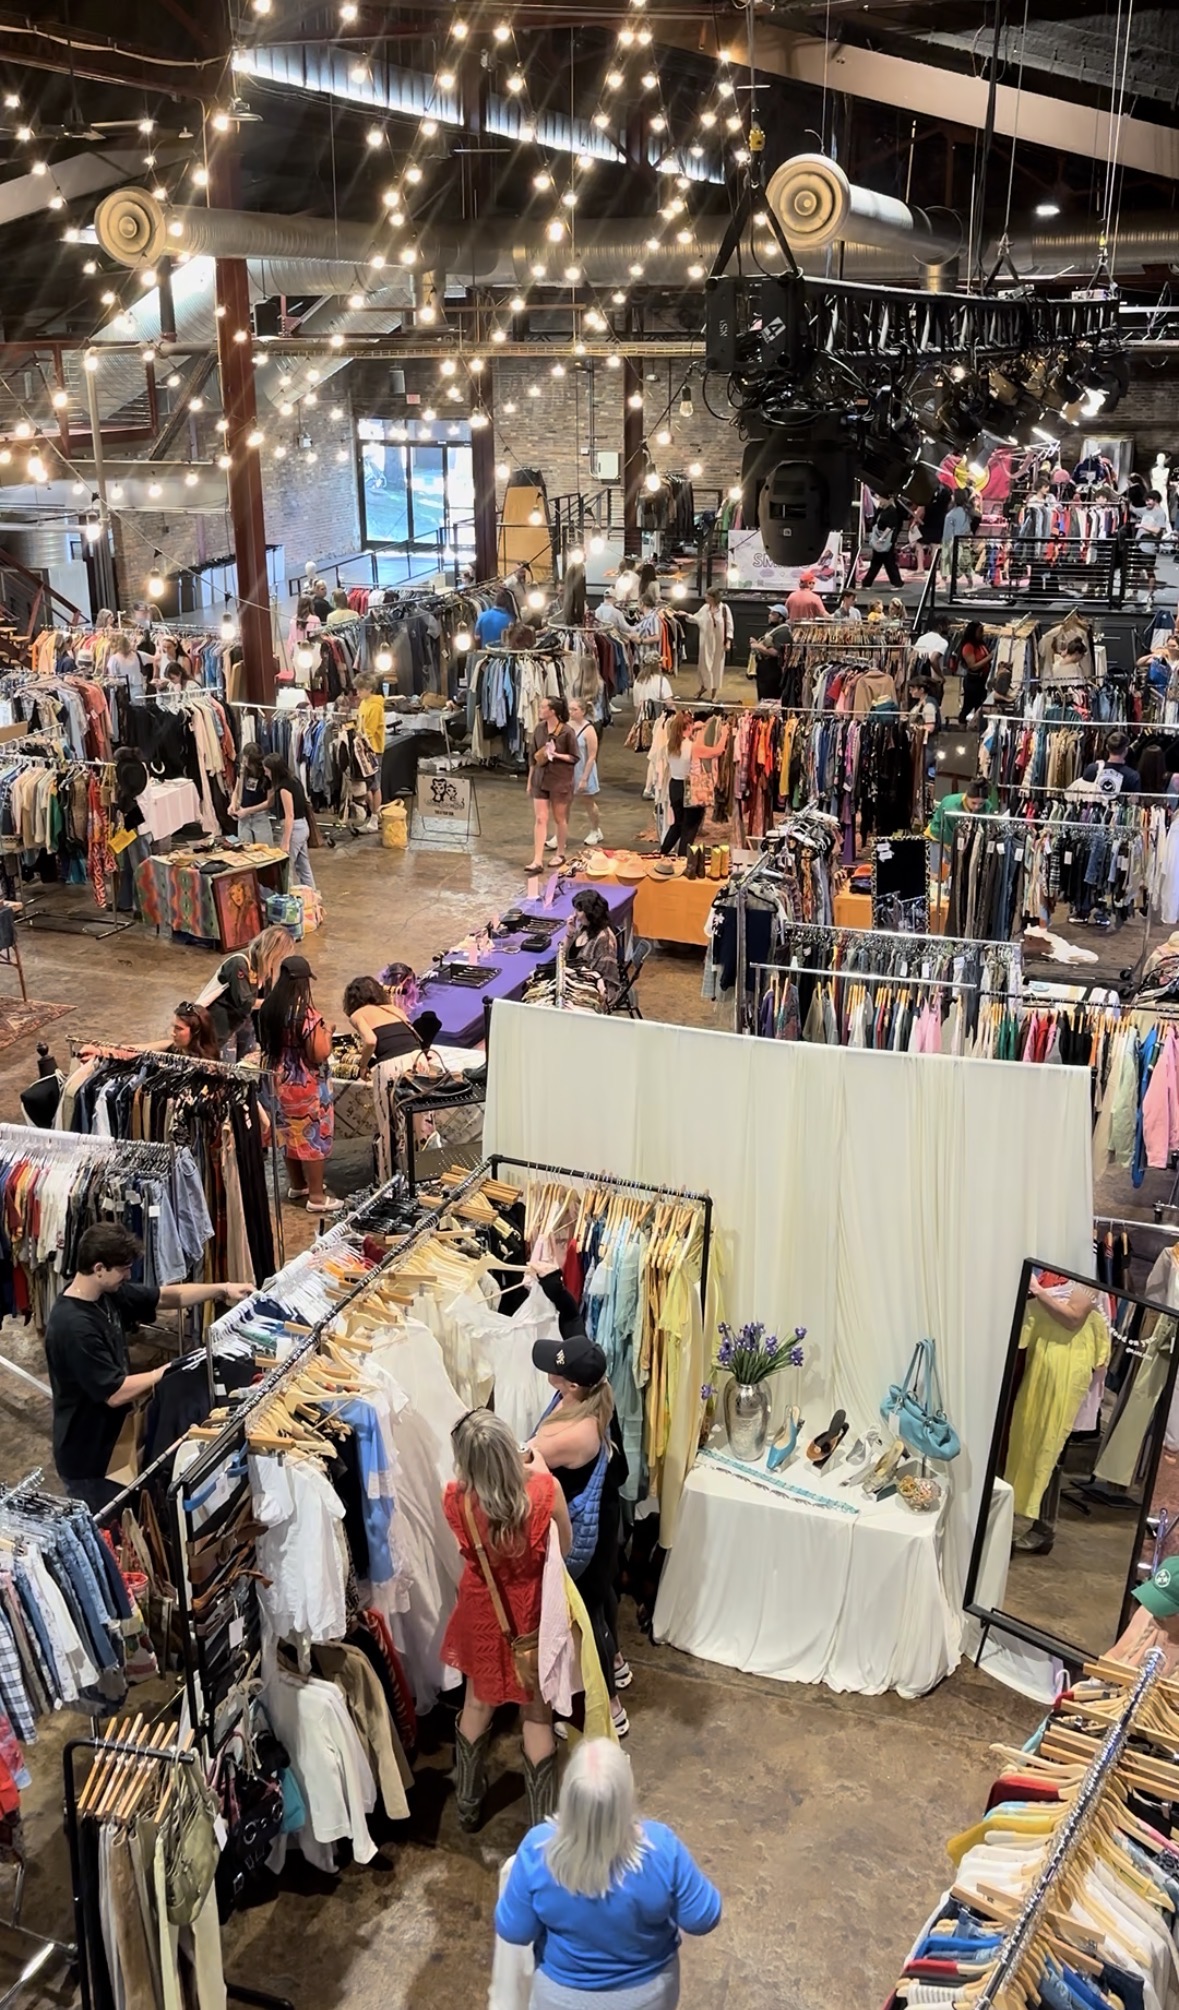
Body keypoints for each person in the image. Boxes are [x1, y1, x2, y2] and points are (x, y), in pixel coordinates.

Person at [495, 1737, 722, 2010]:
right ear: (626, 1797)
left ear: (568, 1795)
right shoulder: (661, 1848)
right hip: (648, 1996)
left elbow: (514, 1930)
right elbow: (703, 1917)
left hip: (561, 1998)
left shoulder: (537, 1849)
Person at [44, 1222, 253, 1512]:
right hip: (89, 1458)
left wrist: (223, 1289)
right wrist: (170, 1370)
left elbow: (167, 1297)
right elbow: (114, 1392)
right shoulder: (75, 1328)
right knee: (115, 1535)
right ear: (99, 1268)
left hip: (116, 1442)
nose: (129, 1275)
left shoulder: (104, 1295)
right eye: (123, 1269)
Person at [442, 1408, 572, 1831]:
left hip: (482, 1611)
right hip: (532, 1613)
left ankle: (468, 1803)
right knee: (536, 1714)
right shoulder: (544, 1490)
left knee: (477, 1703)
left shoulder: (455, 1500)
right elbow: (564, 1549)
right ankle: (541, 1826)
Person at [343, 973, 471, 1181]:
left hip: (391, 1064)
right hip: (416, 1060)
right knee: (422, 1121)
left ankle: (390, 1180)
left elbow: (370, 1040)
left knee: (391, 1124)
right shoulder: (393, 1008)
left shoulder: (358, 1014)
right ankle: (429, 1173)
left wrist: (363, 1065)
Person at [258, 953, 342, 1213]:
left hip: (277, 1078)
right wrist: (328, 1032)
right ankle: (317, 1197)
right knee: (312, 1137)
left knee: (287, 1132)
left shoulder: (269, 1009)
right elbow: (319, 1053)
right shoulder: (306, 1015)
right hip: (304, 1084)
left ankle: (297, 1183)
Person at [659, 712, 725, 858]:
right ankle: (682, 858)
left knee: (678, 824)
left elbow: (683, 738)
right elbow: (717, 751)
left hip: (675, 786)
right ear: (688, 727)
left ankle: (662, 853)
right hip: (690, 787)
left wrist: (694, 728)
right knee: (690, 827)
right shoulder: (693, 747)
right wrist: (725, 733)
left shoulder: (669, 746)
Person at [528, 695, 578, 871]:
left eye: (543, 707)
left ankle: (560, 853)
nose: (540, 710)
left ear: (552, 711)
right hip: (540, 780)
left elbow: (574, 757)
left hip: (560, 780)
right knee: (540, 818)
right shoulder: (539, 729)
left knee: (559, 818)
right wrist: (530, 781)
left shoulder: (567, 732)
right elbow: (533, 757)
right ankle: (537, 859)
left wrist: (556, 755)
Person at [262, 753, 315, 888]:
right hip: (303, 826)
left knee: (286, 869)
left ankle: (287, 900)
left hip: (295, 829)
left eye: (267, 770)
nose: (265, 773)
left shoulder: (284, 788)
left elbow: (289, 815)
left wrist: (285, 842)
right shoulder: (294, 780)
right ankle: (312, 896)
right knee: (303, 867)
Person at [564, 889, 621, 1011]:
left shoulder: (604, 941)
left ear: (591, 913)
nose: (574, 915)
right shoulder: (584, 927)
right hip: (575, 979)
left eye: (579, 910)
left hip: (593, 991)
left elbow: (599, 977)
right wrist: (569, 934)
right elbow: (563, 954)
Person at [926, 773, 993, 875]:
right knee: (940, 874)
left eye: (981, 804)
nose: (977, 807)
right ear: (966, 796)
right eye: (974, 803)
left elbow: (984, 829)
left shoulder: (987, 807)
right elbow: (948, 831)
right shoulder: (951, 805)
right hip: (941, 837)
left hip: (965, 841)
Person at [565, 698, 604, 849]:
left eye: (574, 709)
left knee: (588, 802)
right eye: (570, 709)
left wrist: (584, 778)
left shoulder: (589, 730)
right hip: (569, 771)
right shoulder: (567, 727)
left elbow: (592, 755)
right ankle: (560, 833)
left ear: (582, 711)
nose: (571, 712)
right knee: (565, 803)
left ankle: (595, 830)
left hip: (584, 769)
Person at [689, 588, 732, 699]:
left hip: (718, 643)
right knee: (704, 666)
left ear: (714, 598)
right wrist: (686, 615)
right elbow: (696, 618)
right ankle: (703, 687)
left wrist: (728, 641)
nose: (706, 599)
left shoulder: (724, 609)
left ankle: (714, 693)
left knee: (716, 667)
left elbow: (729, 626)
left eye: (708, 597)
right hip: (706, 642)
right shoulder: (705, 608)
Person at [355, 674, 386, 826]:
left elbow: (369, 730)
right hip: (363, 749)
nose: (357, 693)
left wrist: (357, 734)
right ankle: (372, 814)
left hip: (373, 750)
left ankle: (375, 816)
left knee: (375, 784)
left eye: (360, 689)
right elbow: (360, 725)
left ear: (368, 689)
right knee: (366, 783)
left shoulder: (375, 707)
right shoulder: (364, 703)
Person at [228, 742, 273, 846]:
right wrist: (232, 804)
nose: (245, 764)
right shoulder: (243, 770)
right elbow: (236, 791)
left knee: (265, 853)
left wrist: (248, 811)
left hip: (260, 818)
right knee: (245, 852)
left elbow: (270, 802)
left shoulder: (266, 774)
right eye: (244, 761)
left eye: (247, 762)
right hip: (243, 818)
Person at [862, 495, 908, 588]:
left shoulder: (892, 511)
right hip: (881, 538)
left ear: (889, 500)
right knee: (882, 562)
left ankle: (896, 582)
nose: (881, 501)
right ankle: (868, 582)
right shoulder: (882, 510)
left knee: (886, 562)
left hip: (886, 539)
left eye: (882, 499)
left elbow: (890, 527)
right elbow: (875, 521)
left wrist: (882, 538)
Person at [1082, 729, 1142, 797]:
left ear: (1107, 747)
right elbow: (1134, 802)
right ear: (1126, 750)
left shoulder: (1092, 769)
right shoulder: (1133, 777)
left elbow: (1082, 794)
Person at [748, 608, 791, 703]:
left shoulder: (783, 632)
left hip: (772, 672)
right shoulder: (773, 630)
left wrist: (757, 646)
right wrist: (758, 643)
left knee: (769, 700)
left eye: (773, 614)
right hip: (765, 672)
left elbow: (775, 652)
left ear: (780, 618)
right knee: (763, 698)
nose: (769, 615)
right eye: (770, 613)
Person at [957, 620, 992, 724]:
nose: (982, 634)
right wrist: (989, 658)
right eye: (980, 631)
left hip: (982, 680)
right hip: (973, 680)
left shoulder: (981, 645)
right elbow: (973, 666)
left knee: (980, 705)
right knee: (968, 705)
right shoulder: (968, 646)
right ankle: (962, 725)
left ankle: (977, 727)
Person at [940, 493, 973, 584]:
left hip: (951, 540)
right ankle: (970, 583)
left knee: (947, 560)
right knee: (965, 562)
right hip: (962, 540)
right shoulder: (966, 512)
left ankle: (944, 581)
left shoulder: (952, 514)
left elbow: (950, 531)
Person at [107, 630, 145, 701]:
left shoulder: (114, 659)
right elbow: (154, 658)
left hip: (129, 689)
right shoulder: (137, 654)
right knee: (138, 709)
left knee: (136, 709)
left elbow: (111, 677)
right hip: (130, 689)